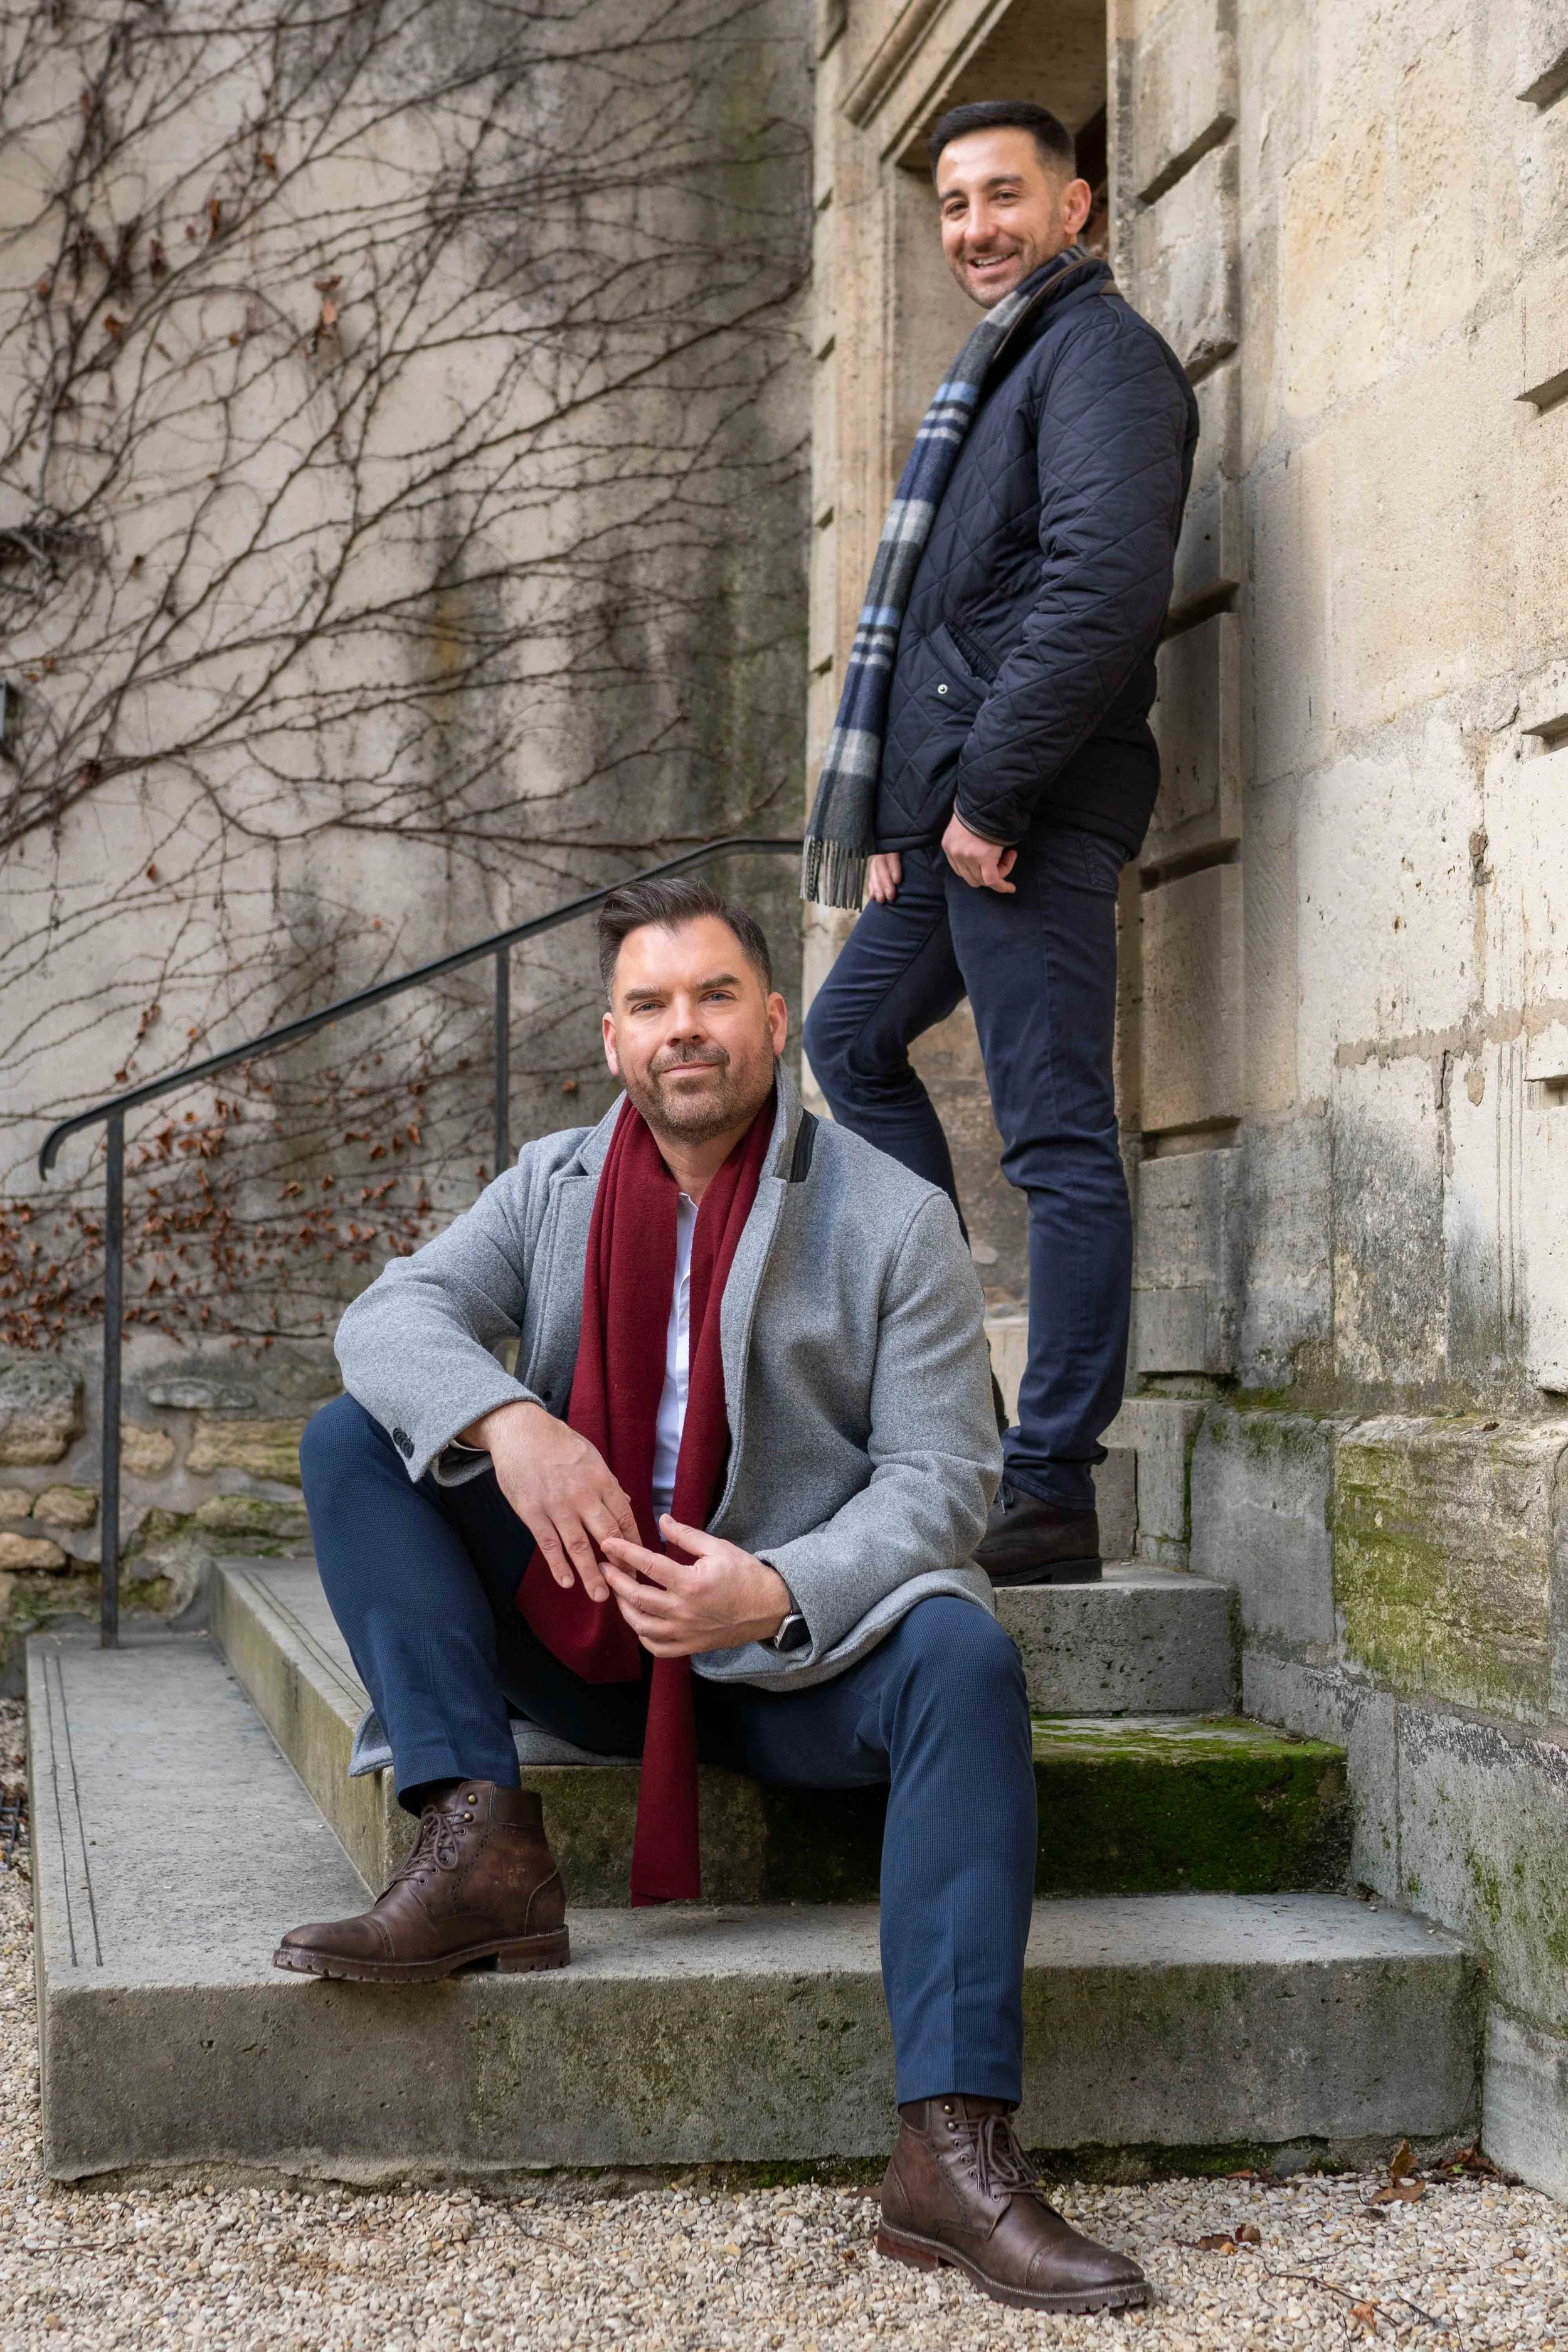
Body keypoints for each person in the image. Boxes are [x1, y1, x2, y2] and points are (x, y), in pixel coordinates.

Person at [278, 875, 1148, 2316]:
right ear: (613, 1041)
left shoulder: (890, 1215)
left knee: (963, 1662)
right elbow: (386, 1317)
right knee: (353, 1432)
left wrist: (776, 1589)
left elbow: (944, 1480)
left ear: (774, 1020)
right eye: (652, 1004)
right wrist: (516, 1423)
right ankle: (480, 1840)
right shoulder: (551, 1185)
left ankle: (949, 2147)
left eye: (714, 996)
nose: (685, 1029)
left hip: (799, 1662)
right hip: (595, 1634)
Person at [801, 99, 1200, 1585]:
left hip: (1028, 810)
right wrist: (907, 817)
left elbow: (1099, 588)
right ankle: (950, 1427)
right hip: (959, 816)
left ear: (1074, 206)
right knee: (846, 1041)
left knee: (1051, 1139)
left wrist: (981, 800)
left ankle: (1047, 1487)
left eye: (1003, 198)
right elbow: (957, 616)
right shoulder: (997, 371)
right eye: (954, 202)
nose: (973, 228)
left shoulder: (1098, 356)